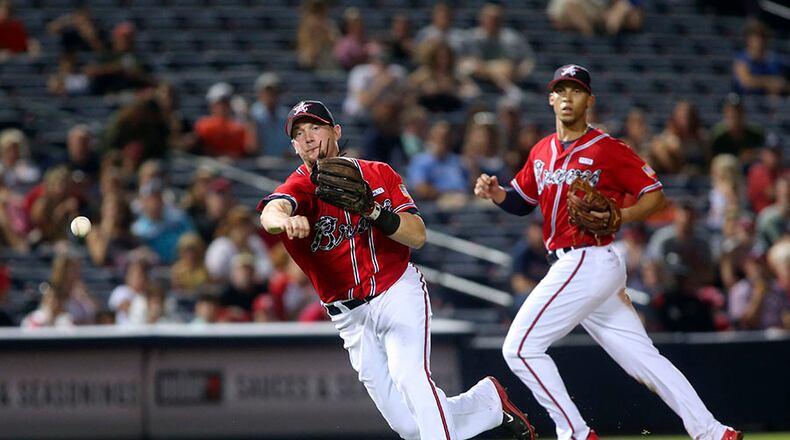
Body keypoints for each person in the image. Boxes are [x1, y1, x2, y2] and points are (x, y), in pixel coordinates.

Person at [474, 64, 743, 440]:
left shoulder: (608, 148)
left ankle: (576, 434)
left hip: (588, 257)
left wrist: (622, 215)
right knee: (644, 360)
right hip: (582, 266)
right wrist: (496, 193)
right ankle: (714, 431)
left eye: (576, 90)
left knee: (519, 348)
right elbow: (522, 200)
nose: (568, 97)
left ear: (589, 100)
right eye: (561, 90)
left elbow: (655, 195)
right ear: (551, 98)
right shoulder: (541, 150)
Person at [259, 100, 534, 440]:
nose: (309, 138)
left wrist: (374, 211)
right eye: (299, 134)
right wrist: (286, 219)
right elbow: (271, 212)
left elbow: (417, 236)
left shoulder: (378, 174)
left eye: (316, 128)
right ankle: (488, 402)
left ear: (337, 131)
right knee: (407, 425)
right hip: (349, 317)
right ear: (293, 146)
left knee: (412, 379)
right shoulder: (299, 188)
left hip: (395, 290)